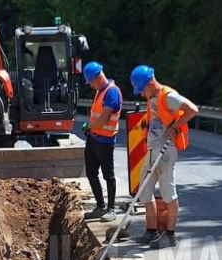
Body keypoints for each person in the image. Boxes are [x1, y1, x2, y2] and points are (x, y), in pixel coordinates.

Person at [130, 65, 199, 249]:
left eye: (142, 90)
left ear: (151, 83)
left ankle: (170, 235)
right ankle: (151, 231)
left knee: (168, 193)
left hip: (166, 150)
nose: (142, 94)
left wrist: (175, 127)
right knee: (144, 190)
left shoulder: (167, 96)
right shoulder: (152, 97)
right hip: (152, 150)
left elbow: (192, 109)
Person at [81, 61, 122, 222]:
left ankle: (111, 209)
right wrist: (90, 128)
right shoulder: (100, 91)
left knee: (108, 175)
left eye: (91, 81)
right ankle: (100, 206)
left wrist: (89, 125)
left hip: (105, 141)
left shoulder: (112, 92)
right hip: (93, 138)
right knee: (91, 173)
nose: (90, 85)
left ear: (98, 77)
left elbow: (104, 119)